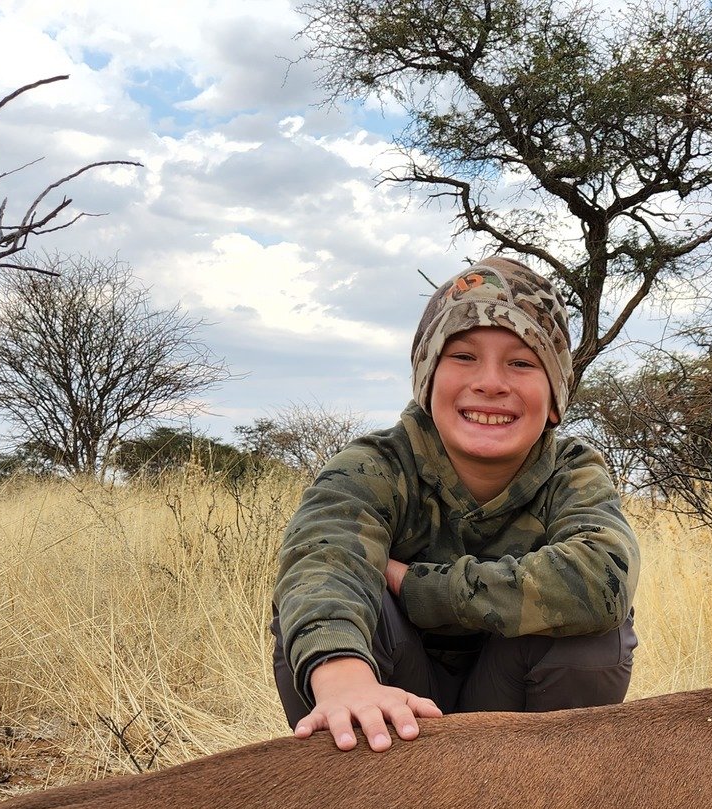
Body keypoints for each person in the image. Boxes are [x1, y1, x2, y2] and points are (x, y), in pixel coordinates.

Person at [270, 257, 640, 751]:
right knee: (344, 621)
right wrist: (343, 679)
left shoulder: (573, 472)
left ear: (555, 397)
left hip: (512, 706)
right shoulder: (373, 465)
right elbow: (322, 562)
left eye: (522, 362)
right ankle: (367, 802)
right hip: (397, 699)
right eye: (463, 356)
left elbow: (602, 578)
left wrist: (418, 586)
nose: (490, 382)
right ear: (426, 380)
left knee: (593, 635)